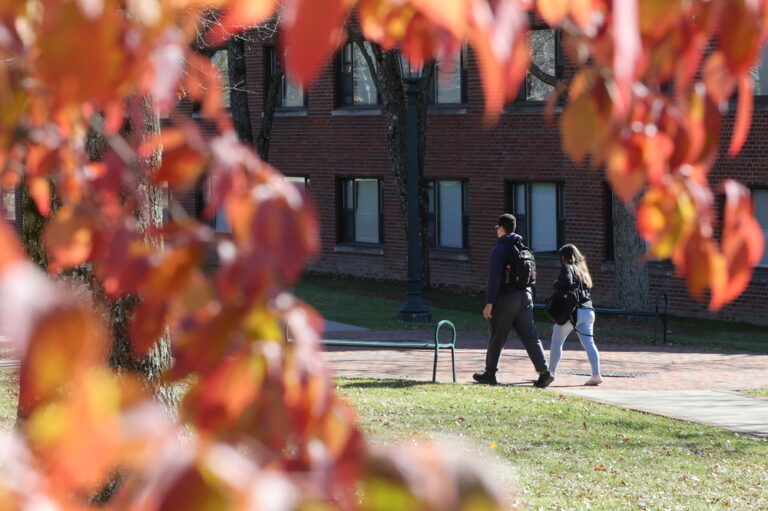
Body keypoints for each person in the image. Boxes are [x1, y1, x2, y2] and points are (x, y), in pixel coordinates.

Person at [473, 213, 554, 388]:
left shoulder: (499, 249)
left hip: (506, 298)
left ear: (502, 228)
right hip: (526, 296)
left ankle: (489, 373)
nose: (496, 231)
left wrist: (489, 303)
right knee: (531, 336)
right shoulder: (524, 248)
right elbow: (532, 276)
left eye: (497, 228)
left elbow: (494, 279)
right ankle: (544, 372)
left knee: (497, 336)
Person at [548, 244, 603, 385]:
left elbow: (565, 282)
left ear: (563, 257)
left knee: (556, 342)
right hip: (588, 311)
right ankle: (596, 375)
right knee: (589, 344)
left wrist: (556, 283)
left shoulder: (567, 267)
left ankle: (551, 372)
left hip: (573, 311)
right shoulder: (583, 270)